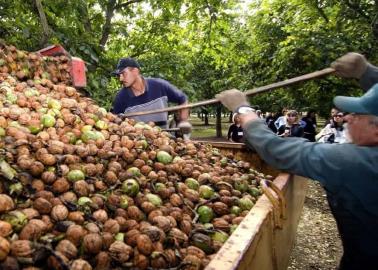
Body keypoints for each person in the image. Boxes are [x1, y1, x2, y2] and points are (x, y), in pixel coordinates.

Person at [216, 52, 378, 270]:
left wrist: (243, 109)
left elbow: (277, 149)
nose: (347, 118)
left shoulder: (353, 162)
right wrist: (366, 72)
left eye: (357, 115)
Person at [111, 57, 191, 132]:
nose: (120, 79)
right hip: (137, 144)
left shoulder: (159, 85)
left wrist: (183, 121)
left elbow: (183, 99)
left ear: (135, 71)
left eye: (123, 74)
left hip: (165, 141)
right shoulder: (120, 97)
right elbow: (116, 122)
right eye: (119, 75)